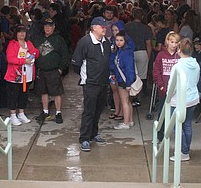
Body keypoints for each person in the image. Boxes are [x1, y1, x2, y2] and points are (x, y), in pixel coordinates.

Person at [72, 16, 111, 152]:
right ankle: (84, 138)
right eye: (102, 26)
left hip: (103, 82)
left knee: (98, 109)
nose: (105, 28)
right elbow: (76, 63)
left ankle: (94, 133)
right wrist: (86, 77)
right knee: (89, 110)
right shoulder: (85, 42)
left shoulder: (106, 42)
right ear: (94, 27)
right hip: (90, 83)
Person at [169, 37, 200, 162]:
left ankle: (182, 151)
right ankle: (186, 151)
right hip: (193, 97)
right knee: (187, 125)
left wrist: (168, 96)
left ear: (179, 50)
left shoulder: (178, 66)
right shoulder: (196, 64)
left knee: (177, 127)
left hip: (179, 100)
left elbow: (172, 86)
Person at [34, 18, 69, 124]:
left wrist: (61, 69)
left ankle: (58, 112)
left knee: (56, 92)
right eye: (45, 26)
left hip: (54, 70)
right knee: (43, 92)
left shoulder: (59, 39)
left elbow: (65, 55)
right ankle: (45, 111)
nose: (47, 28)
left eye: (50, 26)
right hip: (41, 70)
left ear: (54, 27)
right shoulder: (38, 38)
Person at [4, 24, 39, 126]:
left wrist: (31, 51)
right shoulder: (12, 44)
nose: (22, 34)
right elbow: (10, 59)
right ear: (16, 34)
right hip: (14, 76)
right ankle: (13, 115)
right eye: (19, 32)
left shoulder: (29, 43)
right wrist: (24, 61)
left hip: (27, 75)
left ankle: (21, 113)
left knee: (23, 94)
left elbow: (36, 53)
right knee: (13, 95)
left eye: (23, 32)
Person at [153, 31, 181, 141]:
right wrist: (161, 86)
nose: (173, 45)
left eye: (176, 42)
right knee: (162, 113)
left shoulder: (179, 55)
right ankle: (160, 135)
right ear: (167, 42)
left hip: (177, 90)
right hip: (164, 90)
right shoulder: (161, 55)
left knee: (176, 113)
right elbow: (156, 72)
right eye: (172, 42)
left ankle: (176, 134)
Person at [109, 21, 135, 121]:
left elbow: (129, 67)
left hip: (123, 76)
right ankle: (121, 113)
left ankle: (126, 121)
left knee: (125, 100)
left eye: (117, 30)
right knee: (116, 93)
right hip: (114, 72)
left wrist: (129, 82)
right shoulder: (113, 41)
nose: (115, 32)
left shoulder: (127, 50)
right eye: (113, 30)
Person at [125, 8, 153, 99]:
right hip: (142, 52)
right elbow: (148, 44)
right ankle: (139, 96)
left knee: (130, 74)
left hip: (129, 52)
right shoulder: (146, 28)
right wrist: (148, 57)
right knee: (141, 76)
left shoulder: (127, 26)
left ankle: (129, 94)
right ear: (142, 16)